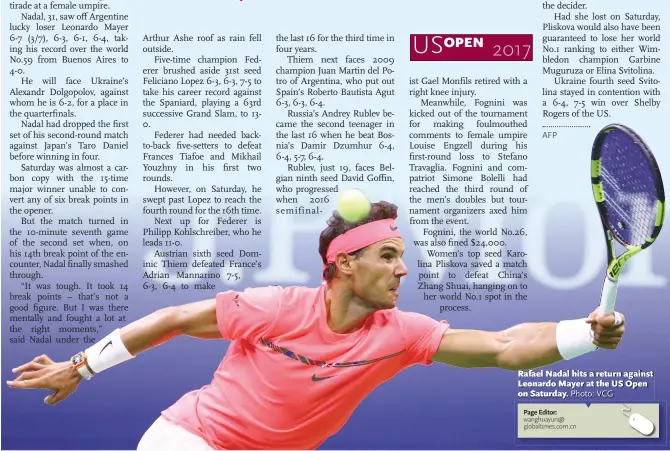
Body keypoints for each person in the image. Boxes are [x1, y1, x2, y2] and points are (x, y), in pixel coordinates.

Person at [8, 201, 625, 450]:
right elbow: (173, 319)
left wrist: (582, 333)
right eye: (389, 256)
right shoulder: (274, 308)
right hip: (192, 440)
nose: (403, 269)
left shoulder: (401, 334)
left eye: (403, 256)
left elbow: (503, 347)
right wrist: (83, 366)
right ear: (344, 264)